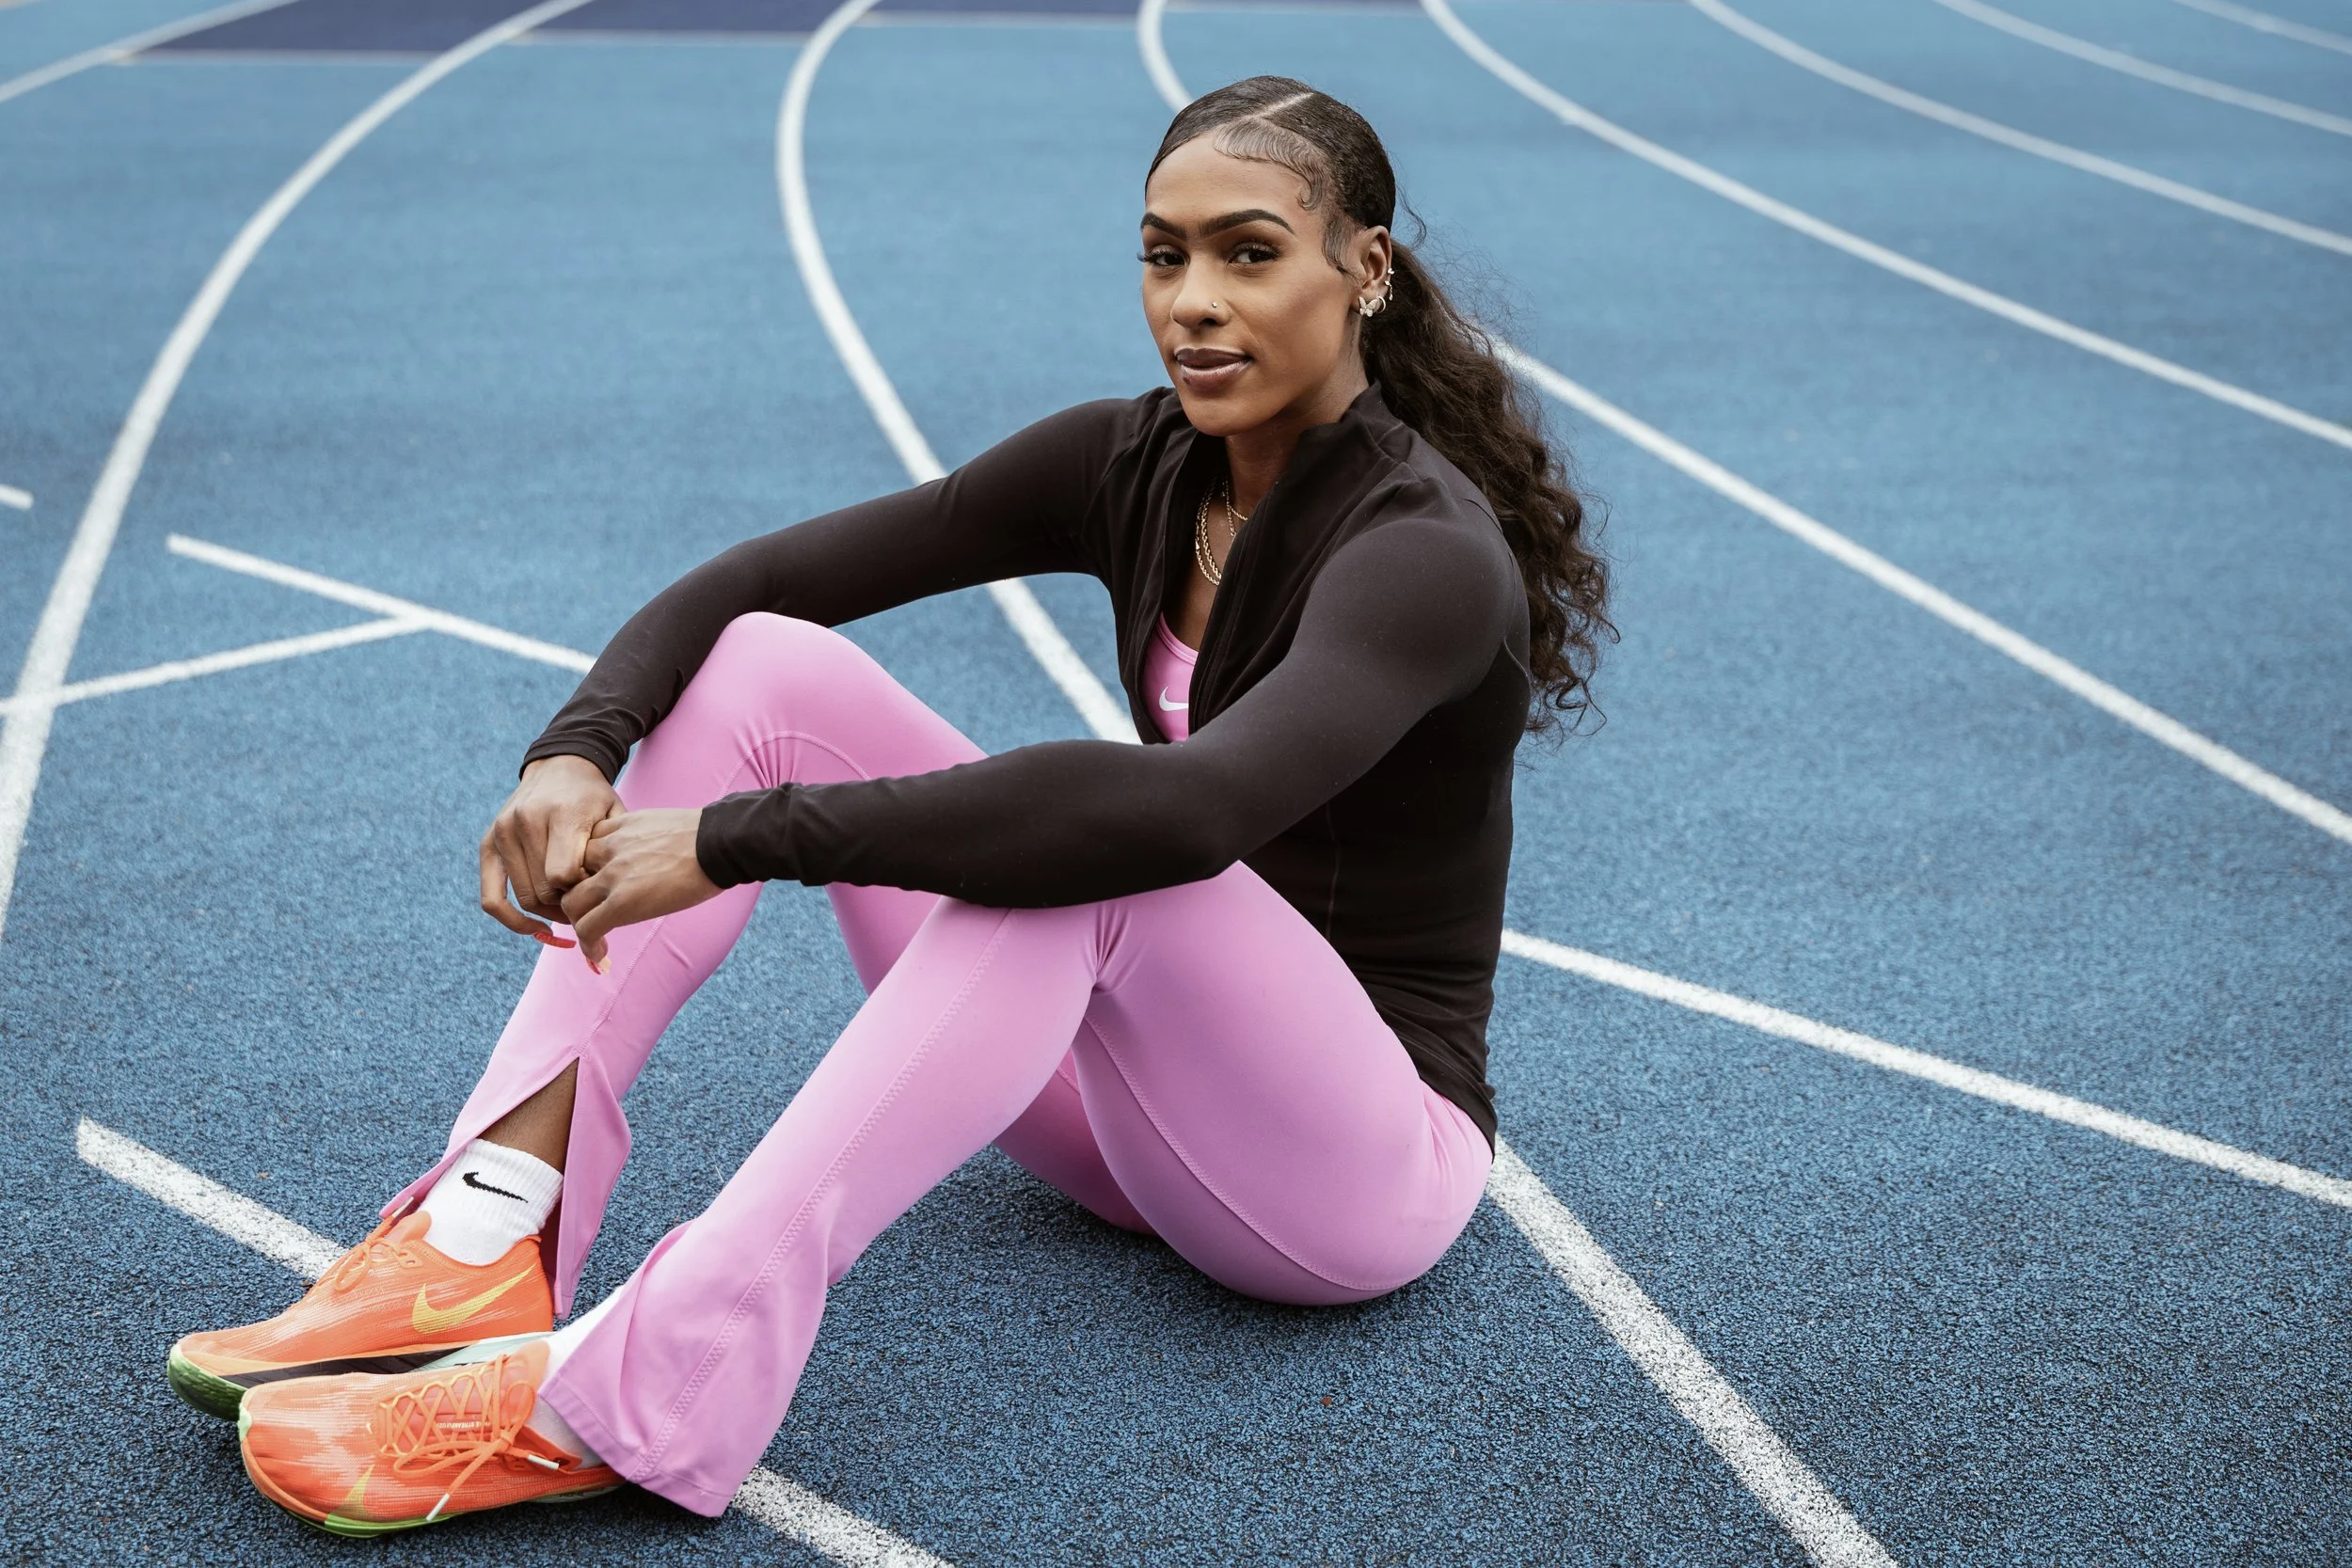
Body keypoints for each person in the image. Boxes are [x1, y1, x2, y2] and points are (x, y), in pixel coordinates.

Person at [168, 75, 1610, 1534]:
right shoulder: (1141, 465)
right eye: (1163, 255)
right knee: (773, 668)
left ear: (1364, 269)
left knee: (1101, 856)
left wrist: (740, 843)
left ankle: (658, 1383)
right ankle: (489, 1222)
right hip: (1121, 1115)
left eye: (1250, 252)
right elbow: (755, 584)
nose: (1194, 302)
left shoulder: (1423, 552)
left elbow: (1188, 818)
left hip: (1349, 1166)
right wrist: (575, 750)